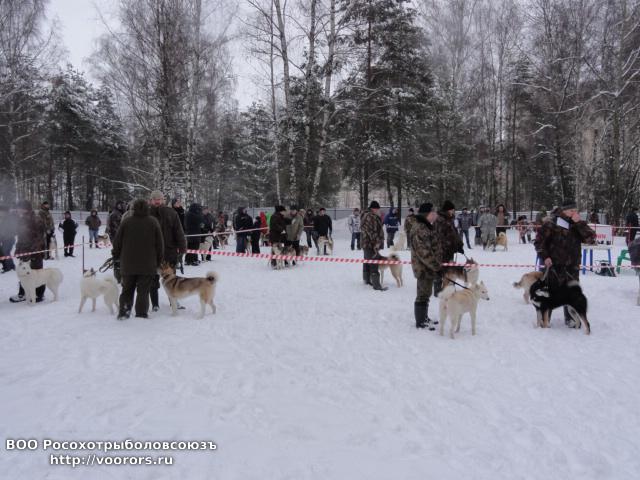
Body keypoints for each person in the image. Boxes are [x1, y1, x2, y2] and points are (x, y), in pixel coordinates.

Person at [534, 199, 595, 328]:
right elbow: (539, 243)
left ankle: (571, 318)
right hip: (554, 266)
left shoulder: (577, 224)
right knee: (550, 292)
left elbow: (590, 239)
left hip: (572, 266)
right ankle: (545, 319)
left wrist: (579, 223)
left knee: (572, 293)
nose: (574, 213)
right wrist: (545, 257)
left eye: (576, 210)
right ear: (564, 211)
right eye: (571, 210)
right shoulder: (551, 223)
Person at [112, 198, 164, 319]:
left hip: (128, 263)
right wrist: (159, 261)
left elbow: (117, 242)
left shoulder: (126, 222)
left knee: (127, 290)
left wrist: (115, 255)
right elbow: (160, 245)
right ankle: (141, 314)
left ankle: (124, 312)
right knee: (143, 291)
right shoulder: (153, 222)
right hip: (148, 264)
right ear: (147, 208)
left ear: (133, 208)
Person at [148, 190, 187, 312]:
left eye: (159, 199)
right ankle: (155, 304)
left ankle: (174, 301)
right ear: (151, 200)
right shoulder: (146, 213)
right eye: (155, 199)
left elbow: (179, 231)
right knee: (153, 279)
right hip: (152, 252)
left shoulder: (171, 213)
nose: (157, 201)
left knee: (171, 279)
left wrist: (182, 247)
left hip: (169, 251)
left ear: (163, 200)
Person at [410, 203, 442, 330]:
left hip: (428, 268)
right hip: (423, 268)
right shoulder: (420, 228)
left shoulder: (426, 226)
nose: (435, 215)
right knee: (422, 295)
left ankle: (424, 317)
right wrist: (436, 266)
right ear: (427, 214)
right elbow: (424, 252)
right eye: (433, 213)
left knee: (426, 293)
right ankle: (420, 322)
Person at [10, 200, 46, 303]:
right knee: (23, 273)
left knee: (37, 273)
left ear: (25, 209)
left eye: (19, 208)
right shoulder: (21, 220)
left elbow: (40, 238)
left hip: (35, 252)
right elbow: (21, 237)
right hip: (24, 252)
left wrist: (33, 252)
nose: (18, 210)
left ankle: (39, 295)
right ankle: (23, 294)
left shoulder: (36, 219)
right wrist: (18, 249)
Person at [434, 200, 464, 295]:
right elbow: (439, 236)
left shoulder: (450, 219)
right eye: (452, 210)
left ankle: (449, 288)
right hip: (441, 250)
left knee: (450, 269)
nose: (453, 211)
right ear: (447, 210)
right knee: (440, 269)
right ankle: (437, 289)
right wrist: (449, 245)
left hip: (450, 250)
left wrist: (459, 244)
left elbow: (454, 233)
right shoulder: (440, 220)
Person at [360, 201, 387, 291]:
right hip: (371, 244)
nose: (378, 210)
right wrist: (376, 243)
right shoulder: (370, 216)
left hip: (367, 243)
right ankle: (376, 285)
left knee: (367, 261)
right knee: (374, 263)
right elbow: (372, 231)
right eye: (377, 209)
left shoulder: (367, 215)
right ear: (373, 209)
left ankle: (366, 280)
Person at [0, 205, 18, 273]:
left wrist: (5, 234)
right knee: (6, 252)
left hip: (9, 238)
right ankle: (12, 266)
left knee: (5, 252)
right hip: (3, 239)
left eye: (1, 211)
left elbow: (13, 229)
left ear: (5, 211)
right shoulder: (2, 218)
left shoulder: (9, 218)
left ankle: (8, 267)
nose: (1, 213)